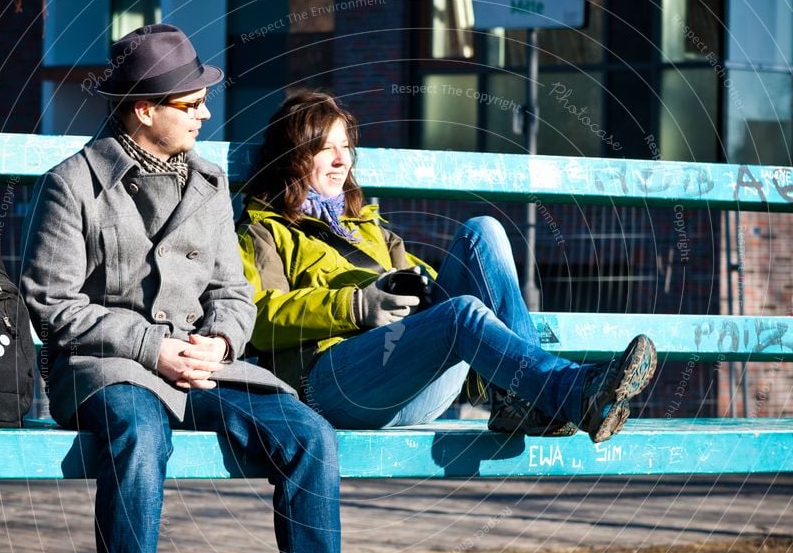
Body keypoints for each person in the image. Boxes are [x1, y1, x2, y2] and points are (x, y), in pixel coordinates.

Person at [20, 27, 378, 553]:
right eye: (190, 103)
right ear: (143, 108)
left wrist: (221, 340)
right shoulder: (72, 184)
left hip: (203, 364)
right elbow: (51, 303)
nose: (204, 114)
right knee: (137, 433)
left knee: (307, 434)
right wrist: (151, 347)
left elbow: (233, 293)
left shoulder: (209, 184)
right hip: (110, 367)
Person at [236, 91, 657, 439]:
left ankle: (521, 399)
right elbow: (256, 319)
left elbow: (440, 296)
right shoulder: (262, 231)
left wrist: (416, 295)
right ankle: (567, 390)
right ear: (293, 157)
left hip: (413, 379)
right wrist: (356, 306)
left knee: (484, 230)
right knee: (460, 314)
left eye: (345, 147)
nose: (342, 160)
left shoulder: (368, 227)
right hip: (334, 386)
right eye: (324, 148)